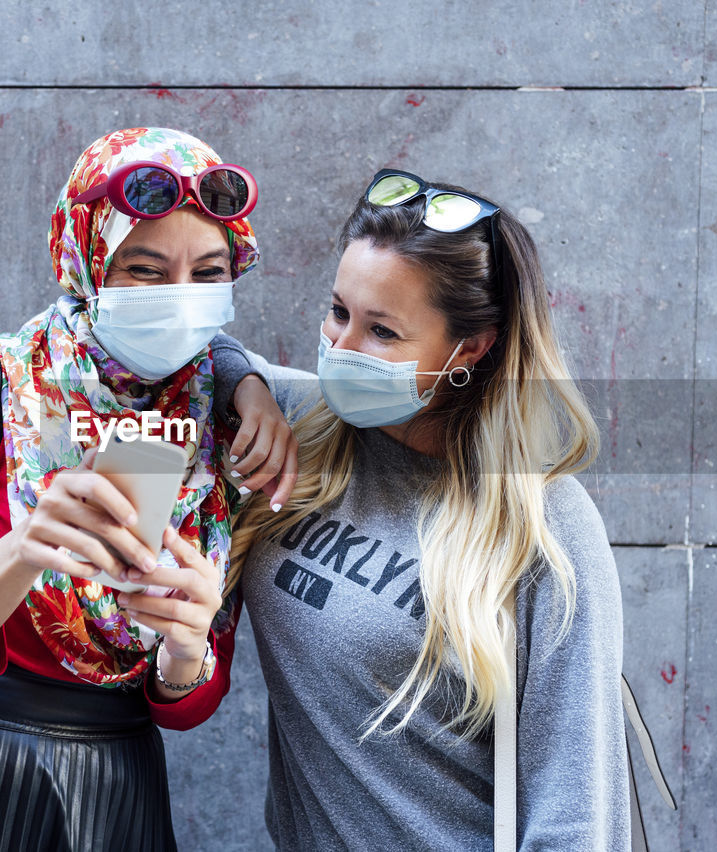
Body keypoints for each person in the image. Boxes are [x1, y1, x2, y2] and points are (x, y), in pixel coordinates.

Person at [0, 127, 294, 851]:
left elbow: (183, 709)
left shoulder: (224, 419)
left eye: (209, 273)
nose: (182, 299)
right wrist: (24, 551)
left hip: (117, 795)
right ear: (83, 260)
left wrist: (186, 655)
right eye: (145, 269)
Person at [215, 169, 630, 849]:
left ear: (470, 347)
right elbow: (193, 354)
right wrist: (248, 388)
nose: (341, 350)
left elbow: (575, 818)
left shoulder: (541, 522)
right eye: (338, 312)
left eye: (382, 332)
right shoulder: (304, 424)